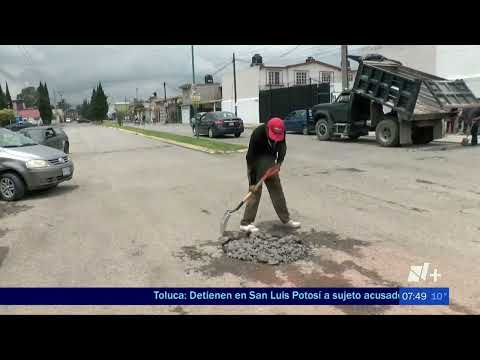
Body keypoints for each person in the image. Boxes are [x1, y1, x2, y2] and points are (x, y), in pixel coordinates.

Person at [240, 117, 301, 233]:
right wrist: (252, 182)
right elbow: (250, 158)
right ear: (268, 128)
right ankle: (245, 223)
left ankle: (286, 219)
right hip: (256, 162)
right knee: (255, 192)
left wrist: (279, 162)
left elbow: (282, 147)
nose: (276, 138)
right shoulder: (258, 134)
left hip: (270, 162)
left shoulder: (281, 132)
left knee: (277, 189)